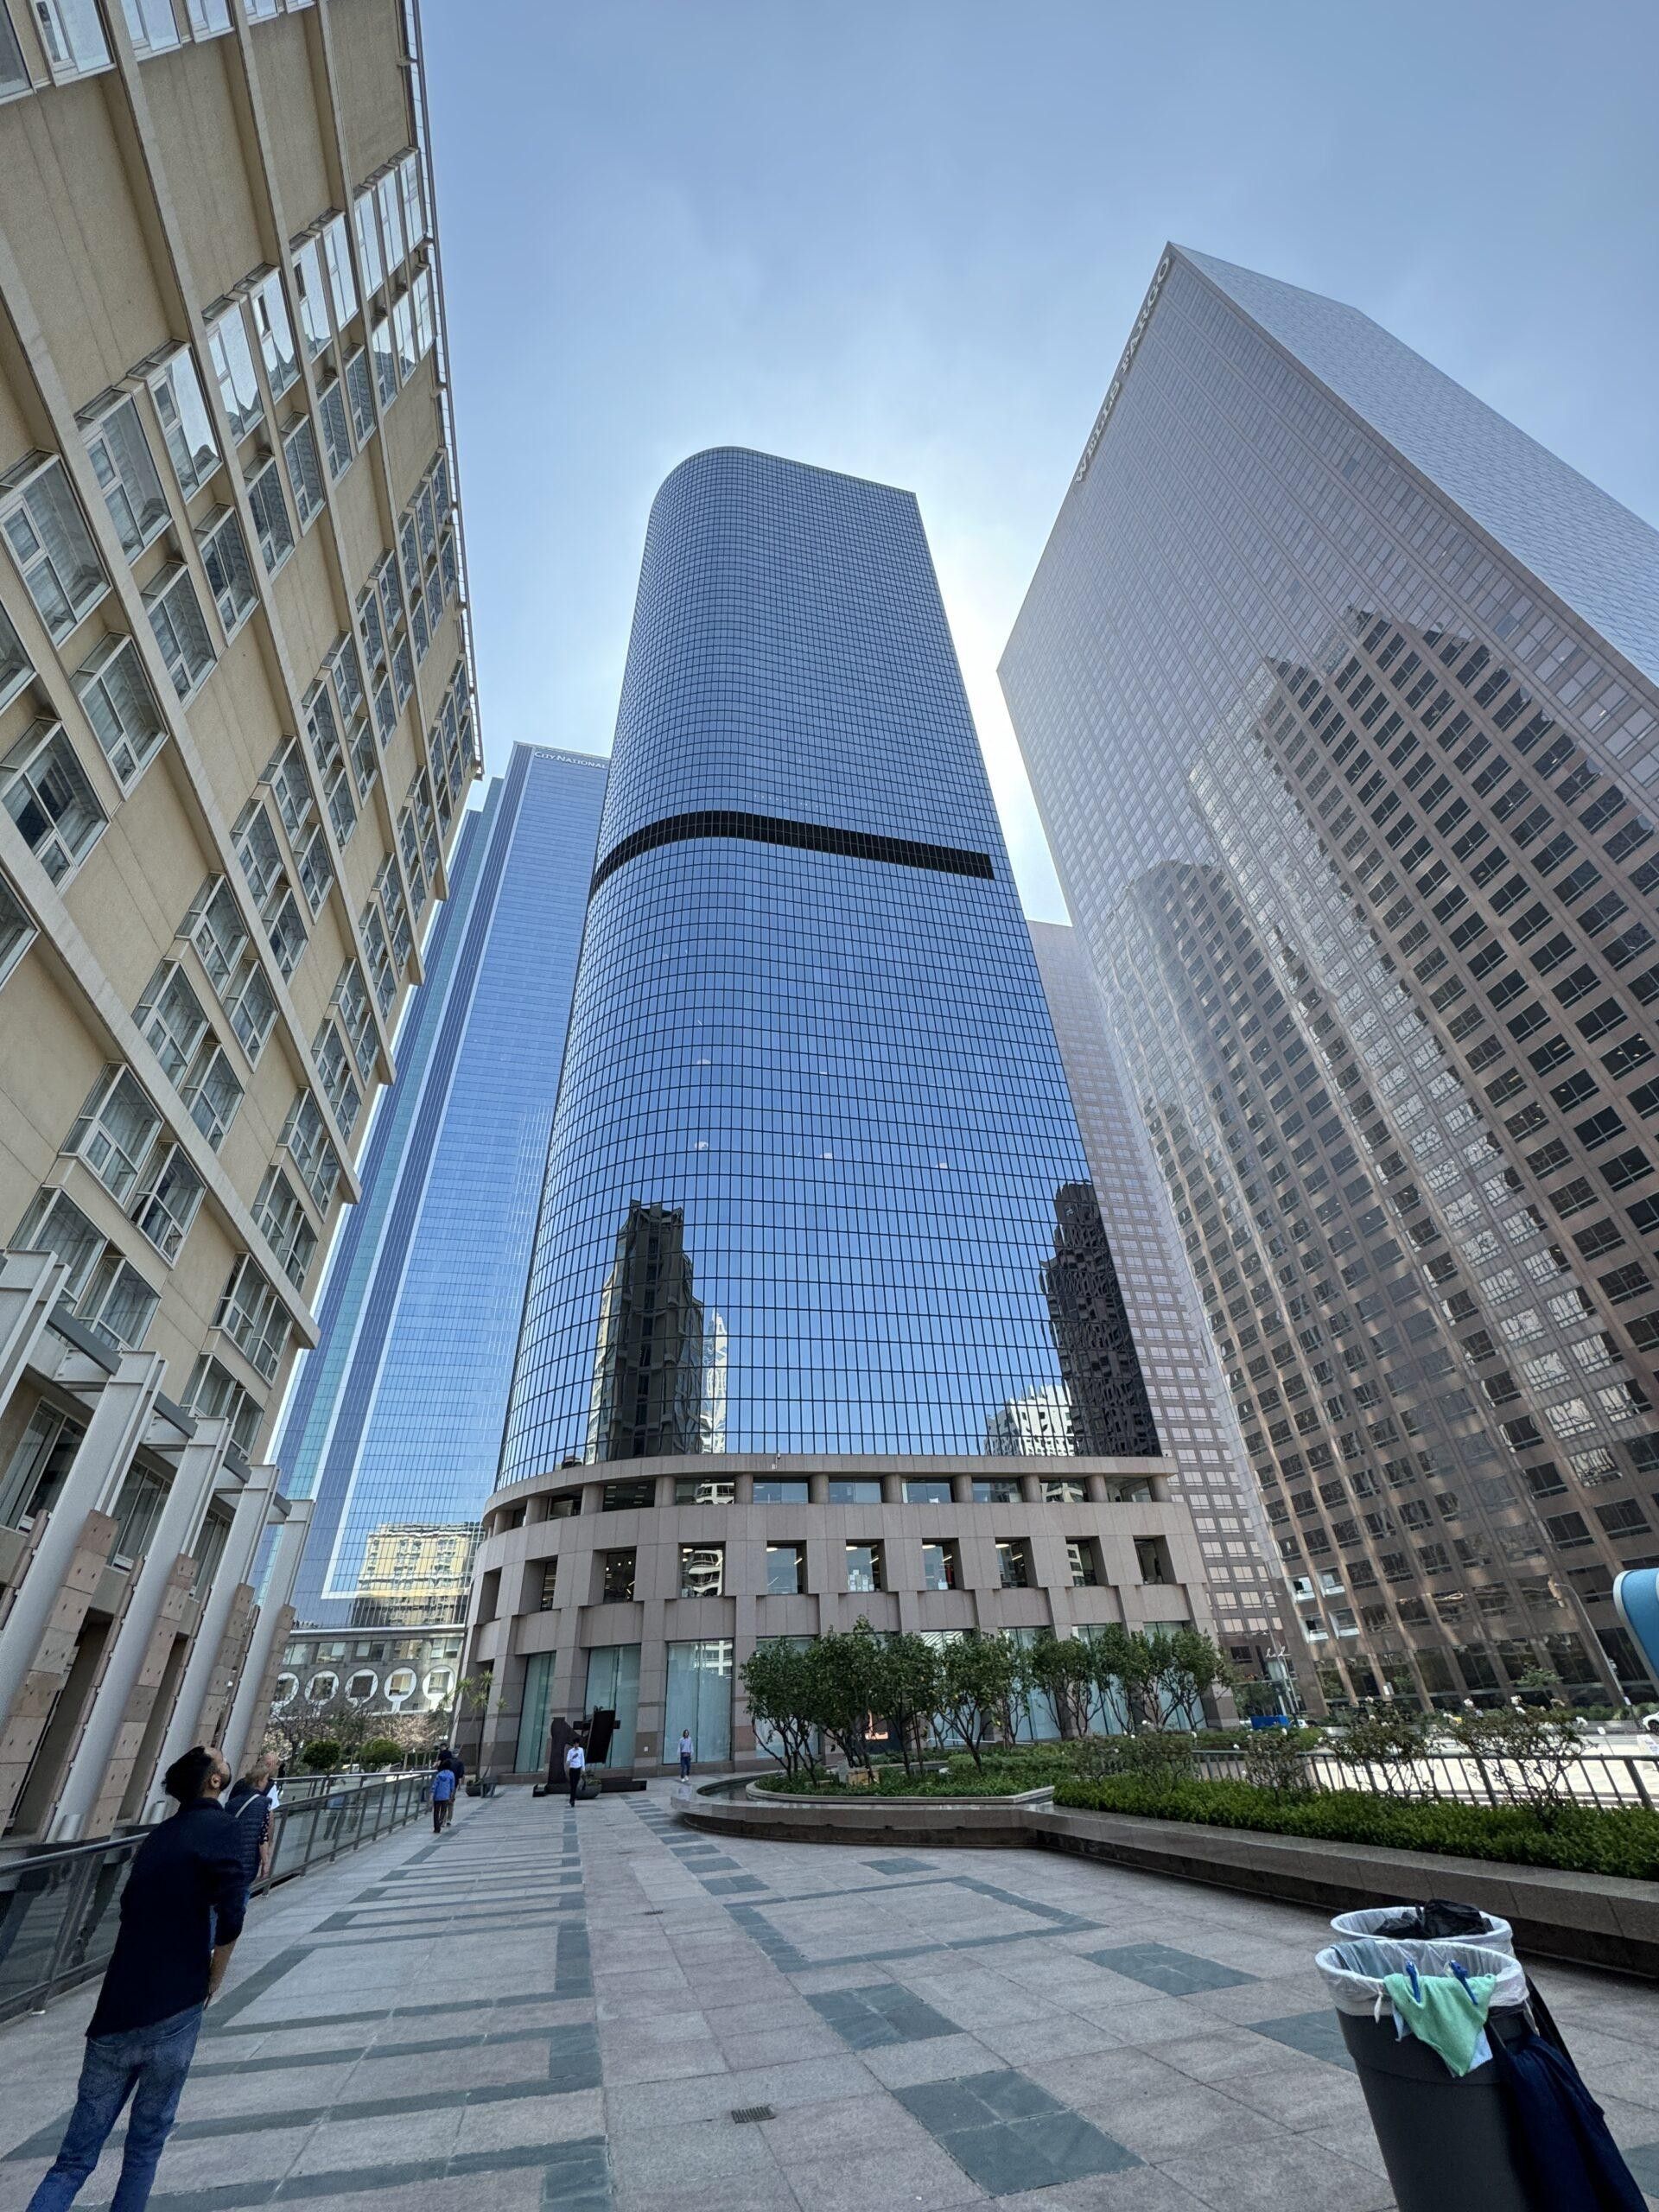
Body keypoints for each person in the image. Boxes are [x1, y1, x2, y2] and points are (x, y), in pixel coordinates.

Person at [25, 1746, 245, 2212]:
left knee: (73, 2160)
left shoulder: (158, 1837)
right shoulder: (222, 1829)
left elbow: (129, 1909)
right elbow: (233, 1913)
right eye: (219, 1759)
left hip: (116, 2011)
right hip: (176, 2004)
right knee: (144, 2146)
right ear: (214, 1781)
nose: (224, 1759)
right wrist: (214, 1978)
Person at [225, 1754, 280, 1892]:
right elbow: (264, 1831)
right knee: (241, 1892)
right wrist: (266, 1858)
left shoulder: (238, 1788)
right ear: (260, 1781)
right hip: (249, 1854)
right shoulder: (265, 1799)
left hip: (229, 1850)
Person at [430, 1758, 457, 1834]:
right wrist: (451, 1795)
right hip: (446, 1796)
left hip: (437, 1796)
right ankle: (440, 1821)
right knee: (443, 1811)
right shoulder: (451, 1774)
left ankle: (436, 1828)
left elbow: (435, 1785)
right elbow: (452, 1787)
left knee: (436, 1812)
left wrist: (432, 1794)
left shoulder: (439, 1774)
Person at [564, 1737, 586, 1807]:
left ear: (578, 1744)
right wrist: (572, 1757)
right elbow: (567, 1762)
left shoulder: (581, 1750)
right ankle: (572, 1801)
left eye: (577, 1744)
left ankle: (572, 1801)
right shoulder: (570, 1751)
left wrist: (583, 1769)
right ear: (573, 1744)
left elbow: (582, 1760)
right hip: (572, 1770)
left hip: (578, 1769)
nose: (576, 1745)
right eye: (575, 1744)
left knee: (575, 1785)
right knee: (572, 1785)